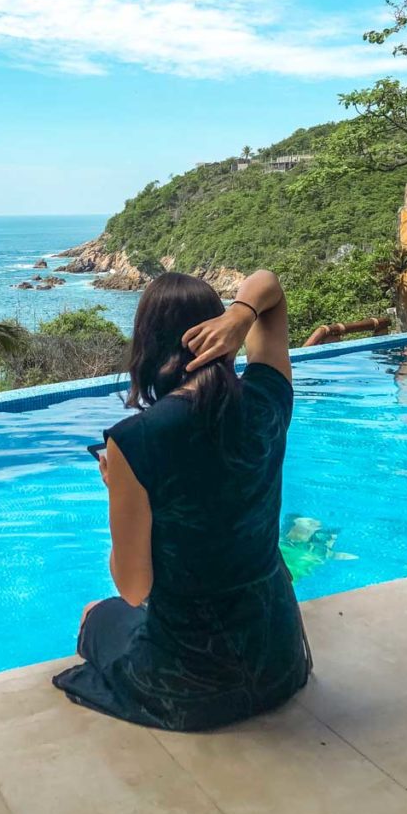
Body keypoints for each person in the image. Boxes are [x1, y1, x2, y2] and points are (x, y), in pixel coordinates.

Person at [52, 269, 312, 731]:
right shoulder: (268, 399)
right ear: (218, 330)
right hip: (282, 661)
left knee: (96, 614)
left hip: (191, 686)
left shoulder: (137, 439)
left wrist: (119, 492)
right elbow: (269, 285)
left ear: (148, 344)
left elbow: (133, 588)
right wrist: (241, 314)